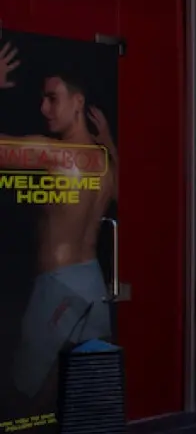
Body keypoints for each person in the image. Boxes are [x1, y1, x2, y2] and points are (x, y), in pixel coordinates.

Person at [0, 43, 117, 402]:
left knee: (26, 394)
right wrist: (109, 140)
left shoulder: (54, 155)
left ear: (78, 102)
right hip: (93, 283)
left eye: (53, 98)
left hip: (57, 288)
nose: (43, 108)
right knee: (86, 393)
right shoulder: (105, 160)